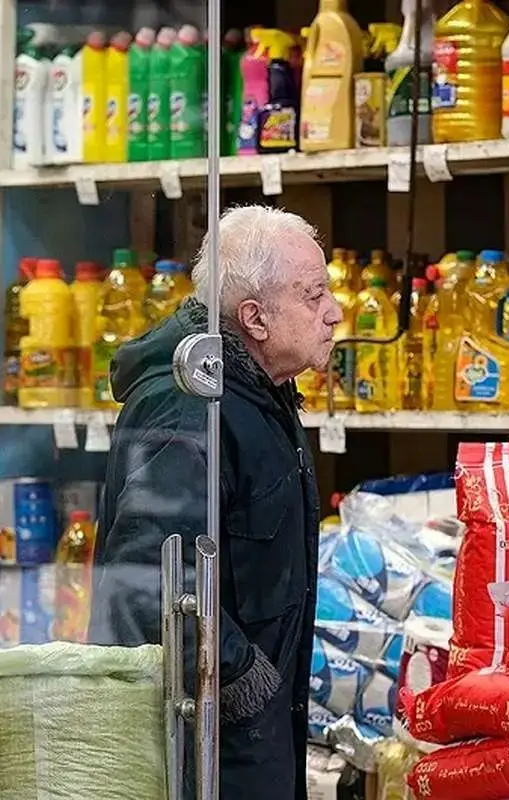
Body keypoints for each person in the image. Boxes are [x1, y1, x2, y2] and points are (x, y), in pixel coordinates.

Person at [90, 206, 342, 800]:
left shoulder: (257, 393)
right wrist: (240, 678)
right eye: (314, 296)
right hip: (199, 750)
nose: (334, 311)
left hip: (242, 746)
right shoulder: (191, 403)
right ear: (254, 318)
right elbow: (149, 576)